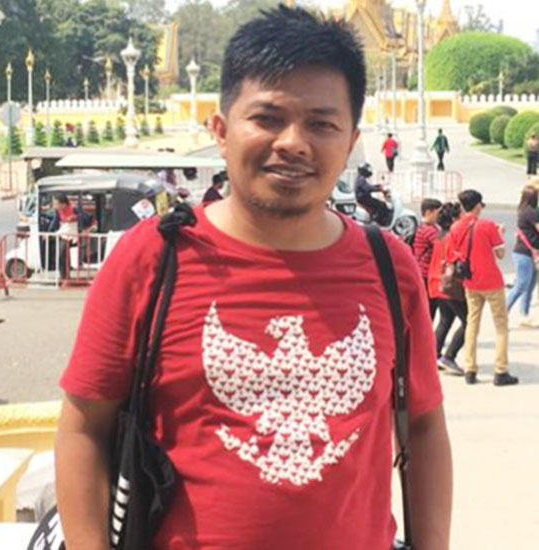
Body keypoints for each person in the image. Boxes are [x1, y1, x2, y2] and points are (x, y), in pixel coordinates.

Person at [56, 7, 452, 550]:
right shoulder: (153, 258)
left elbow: (423, 427)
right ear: (220, 131)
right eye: (267, 118)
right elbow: (84, 428)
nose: (293, 142)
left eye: (321, 124)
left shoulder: (390, 266)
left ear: (351, 140)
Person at [448, 189, 518, 386]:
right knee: (501, 326)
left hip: (471, 281)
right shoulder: (487, 225)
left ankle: (470, 368)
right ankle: (501, 370)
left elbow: (454, 255)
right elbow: (501, 254)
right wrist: (500, 233)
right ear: (478, 205)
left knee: (472, 324)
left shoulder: (456, 227)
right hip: (492, 281)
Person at [427, 202, 465, 375]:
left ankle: (434, 355)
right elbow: (455, 259)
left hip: (437, 282)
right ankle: (449, 356)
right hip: (448, 284)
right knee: (469, 322)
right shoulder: (451, 237)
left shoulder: (440, 236)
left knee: (445, 320)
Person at [506, 183, 539, 326]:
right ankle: (502, 313)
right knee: (521, 285)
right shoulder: (531, 212)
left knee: (529, 285)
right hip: (525, 253)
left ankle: (524, 315)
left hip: (528, 252)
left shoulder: (523, 210)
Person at [413, 198, 442, 318]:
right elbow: (443, 244)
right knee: (429, 310)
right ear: (429, 212)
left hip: (424, 272)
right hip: (426, 274)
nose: (440, 216)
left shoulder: (426, 227)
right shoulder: (428, 230)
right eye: (438, 212)